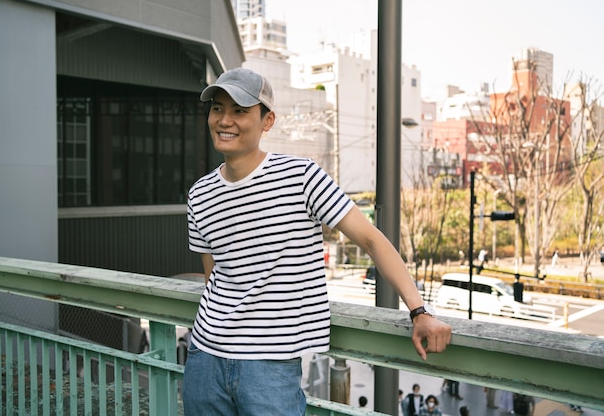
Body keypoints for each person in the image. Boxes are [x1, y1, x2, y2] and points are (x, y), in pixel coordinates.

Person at [181, 67, 452, 415]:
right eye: (218, 108)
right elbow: (213, 275)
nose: (225, 120)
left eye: (240, 111)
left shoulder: (301, 176)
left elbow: (370, 239)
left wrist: (420, 311)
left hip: (270, 365)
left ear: (267, 121)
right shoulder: (200, 194)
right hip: (205, 357)